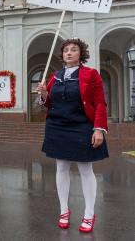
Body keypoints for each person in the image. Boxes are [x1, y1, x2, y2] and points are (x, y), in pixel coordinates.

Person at [36, 38, 108, 233]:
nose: (69, 53)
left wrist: (99, 128)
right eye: (66, 50)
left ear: (80, 54)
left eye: (73, 50)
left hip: (82, 125)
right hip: (57, 126)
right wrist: (43, 95)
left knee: (85, 169)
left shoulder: (91, 74)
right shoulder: (55, 76)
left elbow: (100, 102)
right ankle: (64, 210)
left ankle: (89, 213)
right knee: (61, 167)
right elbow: (48, 104)